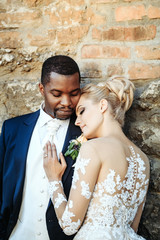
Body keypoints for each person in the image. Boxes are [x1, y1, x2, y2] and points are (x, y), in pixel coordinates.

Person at [43, 76, 150, 240]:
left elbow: (69, 225)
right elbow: (133, 227)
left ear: (102, 106)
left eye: (82, 111)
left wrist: (54, 180)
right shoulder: (143, 159)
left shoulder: (92, 148)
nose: (77, 121)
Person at [0, 55, 82, 240]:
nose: (67, 102)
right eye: (57, 94)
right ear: (41, 89)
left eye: (74, 93)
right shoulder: (12, 129)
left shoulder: (87, 134)